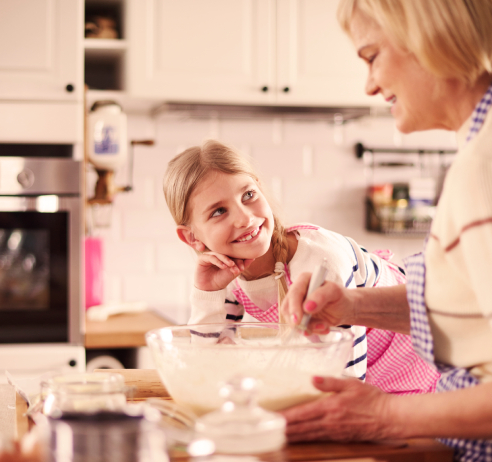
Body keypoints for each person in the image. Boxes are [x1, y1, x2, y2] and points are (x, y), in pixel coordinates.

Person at [279, 0, 492, 460]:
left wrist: (383, 416)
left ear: (431, 35)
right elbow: (485, 303)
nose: (370, 84)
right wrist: (351, 305)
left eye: (372, 56)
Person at [163, 139, 439, 394]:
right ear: (192, 237)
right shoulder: (227, 270)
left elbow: (343, 382)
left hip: (417, 364)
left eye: (248, 195)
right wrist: (206, 292)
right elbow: (206, 366)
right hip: (366, 377)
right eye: (219, 211)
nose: (245, 218)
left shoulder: (321, 261)